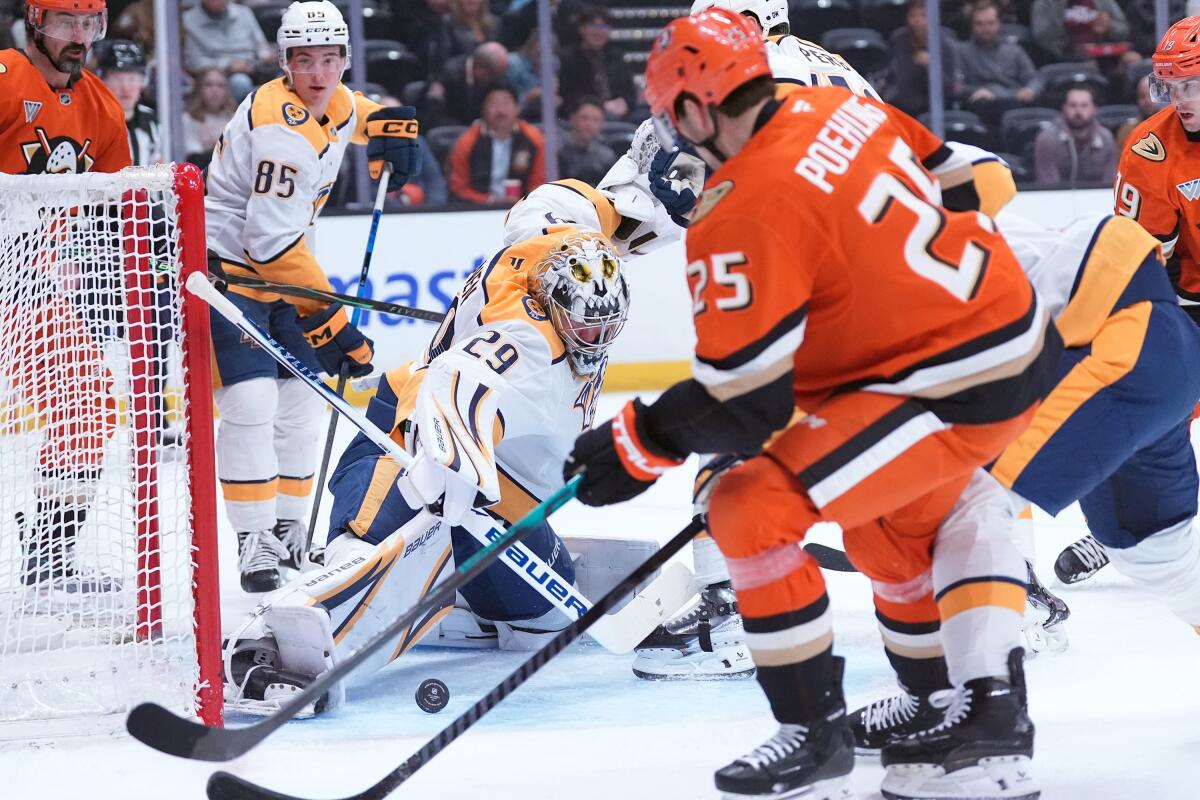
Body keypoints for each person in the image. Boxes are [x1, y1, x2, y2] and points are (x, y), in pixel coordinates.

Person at [565, 10, 1060, 800]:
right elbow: (969, 178)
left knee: (747, 506)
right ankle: (948, 710)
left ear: (694, 108)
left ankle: (814, 731)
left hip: (947, 380)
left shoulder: (737, 208)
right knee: (883, 524)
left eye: (670, 116)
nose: (673, 133)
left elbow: (744, 399)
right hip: (997, 331)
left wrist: (639, 441)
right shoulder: (839, 104)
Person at [221, 227, 631, 709]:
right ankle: (274, 645)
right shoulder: (532, 340)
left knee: (543, 624)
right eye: (583, 324)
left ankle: (453, 595)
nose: (594, 338)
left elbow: (558, 212)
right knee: (380, 553)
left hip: (489, 495)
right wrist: (459, 461)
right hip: (408, 441)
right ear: (551, 302)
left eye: (605, 326)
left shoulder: (551, 254)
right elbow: (459, 383)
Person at [204, 0, 420, 592]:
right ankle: (253, 540)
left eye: (330, 59)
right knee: (250, 401)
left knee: (303, 401)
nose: (319, 73)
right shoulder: (281, 132)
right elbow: (269, 245)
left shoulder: (334, 99)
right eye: (305, 60)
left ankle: (289, 529)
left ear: (346, 59)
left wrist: (390, 124)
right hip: (229, 276)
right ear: (285, 63)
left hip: (276, 278)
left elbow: (353, 111)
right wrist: (332, 322)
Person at [0, 0, 130, 595]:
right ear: (34, 22)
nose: (79, 36)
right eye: (64, 23)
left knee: (88, 401)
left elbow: (121, 203)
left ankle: (50, 556)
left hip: (27, 281)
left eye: (89, 24)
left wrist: (166, 247)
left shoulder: (101, 107)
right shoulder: (7, 76)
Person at [446, 81, 544, 204]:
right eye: (494, 103)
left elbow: (540, 184)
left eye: (506, 103)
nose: (500, 110)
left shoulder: (534, 139)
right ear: (483, 109)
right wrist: (490, 201)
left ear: (517, 108)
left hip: (523, 207)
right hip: (479, 208)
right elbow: (458, 188)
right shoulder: (467, 142)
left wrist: (523, 203)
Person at [958, 0, 1042, 121]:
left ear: (999, 24)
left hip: (1014, 103)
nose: (985, 28)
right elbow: (956, 86)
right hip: (981, 106)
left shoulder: (1015, 51)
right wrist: (976, 91)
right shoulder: (961, 51)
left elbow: (1035, 79)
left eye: (990, 23)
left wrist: (1030, 89)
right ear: (971, 25)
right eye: (979, 24)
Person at [181, 0, 274, 101]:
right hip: (218, 74)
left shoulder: (244, 12)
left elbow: (262, 46)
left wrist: (266, 57)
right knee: (239, 82)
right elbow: (195, 62)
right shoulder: (188, 20)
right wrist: (228, 66)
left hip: (254, 68)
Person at [883, 0, 961, 118]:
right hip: (903, 102)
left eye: (923, 16)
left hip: (938, 104)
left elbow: (952, 87)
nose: (918, 21)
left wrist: (931, 65)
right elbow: (894, 74)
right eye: (913, 16)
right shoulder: (899, 39)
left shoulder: (946, 43)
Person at [559, 6, 637, 120]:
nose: (598, 32)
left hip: (618, 113)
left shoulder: (617, 57)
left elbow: (630, 93)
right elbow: (567, 97)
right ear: (581, 29)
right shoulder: (567, 58)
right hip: (583, 116)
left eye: (603, 27)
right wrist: (601, 105)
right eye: (593, 26)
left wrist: (624, 103)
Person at [1033, 84, 1116, 184]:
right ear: (1064, 108)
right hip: (1058, 193)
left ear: (1094, 109)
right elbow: (1048, 185)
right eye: (1072, 105)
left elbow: (1109, 183)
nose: (1078, 111)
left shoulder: (1106, 138)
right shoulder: (1047, 139)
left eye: (1084, 105)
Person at [96, 38, 159, 165]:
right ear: (103, 82)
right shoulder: (92, 121)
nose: (125, 88)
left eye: (132, 79)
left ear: (143, 81)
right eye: (117, 79)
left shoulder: (152, 121)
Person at [419, 39, 509, 128]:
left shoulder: (492, 78)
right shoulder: (446, 76)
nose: (497, 80)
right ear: (481, 67)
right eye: (495, 75)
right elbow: (433, 117)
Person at [1031, 0, 1132, 61]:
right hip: (1065, 57)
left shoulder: (1103, 1)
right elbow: (1043, 37)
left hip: (1102, 53)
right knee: (1088, 64)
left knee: (1132, 59)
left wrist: (1110, 26)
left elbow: (1124, 30)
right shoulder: (1045, 3)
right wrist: (1059, 6)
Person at [182, 67, 236, 167]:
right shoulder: (188, 119)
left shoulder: (234, 119)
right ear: (199, 89)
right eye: (208, 85)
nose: (215, 91)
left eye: (220, 85)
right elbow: (194, 158)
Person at [558, 96, 616, 185]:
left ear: (601, 124)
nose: (590, 124)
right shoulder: (555, 151)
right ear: (572, 118)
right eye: (584, 118)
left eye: (596, 120)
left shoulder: (607, 158)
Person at [1114, 73, 1163, 148]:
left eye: (1151, 95)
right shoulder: (1128, 130)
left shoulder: (1173, 126)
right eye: (1142, 96)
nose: (1147, 101)